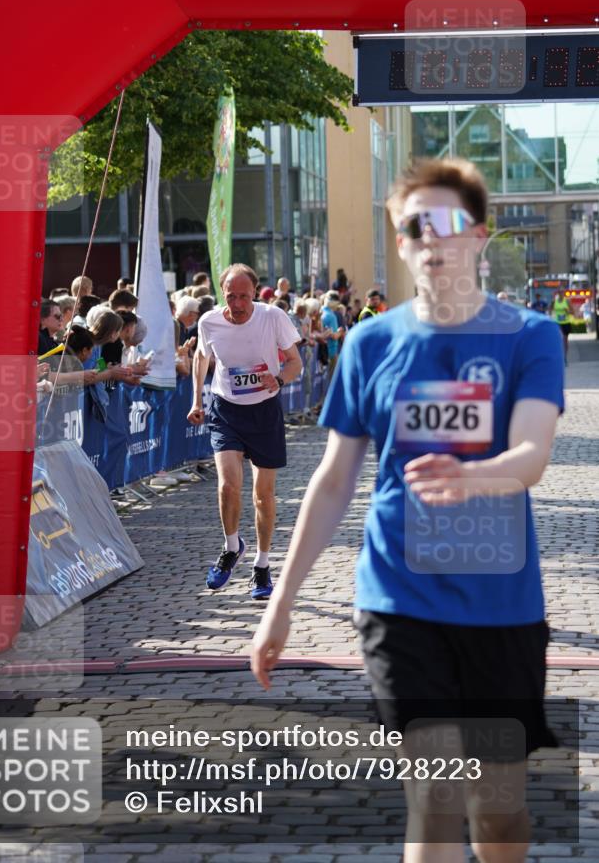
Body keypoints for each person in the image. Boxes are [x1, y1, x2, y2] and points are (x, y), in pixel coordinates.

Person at [252, 158, 564, 863]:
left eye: (446, 223)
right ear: (399, 243)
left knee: (497, 808)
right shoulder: (370, 343)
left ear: (479, 236)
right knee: (434, 795)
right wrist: (282, 602)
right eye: (412, 227)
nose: (430, 240)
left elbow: (531, 456)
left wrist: (473, 475)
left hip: (500, 604)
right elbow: (334, 480)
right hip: (397, 597)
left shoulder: (527, 337)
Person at [188, 264, 302, 601]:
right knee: (227, 485)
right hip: (227, 410)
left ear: (255, 292)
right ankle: (231, 546)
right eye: (231, 295)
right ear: (222, 292)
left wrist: (278, 379)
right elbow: (201, 355)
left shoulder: (272, 317)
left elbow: (296, 362)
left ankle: (262, 565)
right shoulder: (209, 321)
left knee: (263, 494)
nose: (237, 303)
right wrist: (197, 399)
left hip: (264, 410)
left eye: (244, 295)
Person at [550, 285, 572, 363]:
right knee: (559, 339)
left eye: (562, 292)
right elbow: (549, 310)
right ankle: (559, 357)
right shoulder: (554, 301)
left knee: (565, 340)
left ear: (564, 293)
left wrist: (567, 311)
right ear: (557, 293)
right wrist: (550, 317)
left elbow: (572, 312)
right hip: (557, 323)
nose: (561, 293)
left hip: (566, 322)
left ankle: (565, 358)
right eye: (559, 292)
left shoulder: (567, 301)